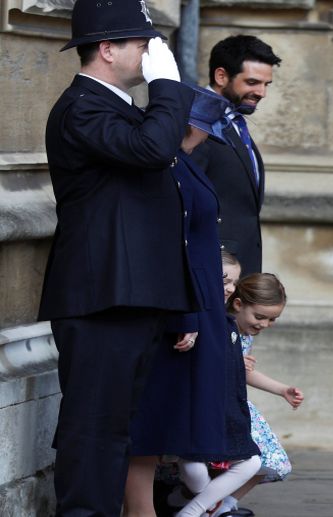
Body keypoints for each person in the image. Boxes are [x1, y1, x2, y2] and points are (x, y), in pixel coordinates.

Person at [39, 1, 196, 514]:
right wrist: (167, 88)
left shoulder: (117, 107)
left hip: (129, 295)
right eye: (142, 44)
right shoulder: (83, 106)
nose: (152, 54)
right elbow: (152, 149)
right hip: (101, 296)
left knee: (114, 429)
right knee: (93, 428)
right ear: (107, 49)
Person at [121, 85, 240, 517]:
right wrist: (184, 315)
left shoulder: (180, 165)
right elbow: (175, 246)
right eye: (204, 130)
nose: (206, 138)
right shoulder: (167, 168)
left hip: (195, 308)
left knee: (162, 427)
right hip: (180, 313)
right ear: (192, 126)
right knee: (151, 427)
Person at [192, 35, 282, 276]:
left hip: (240, 271)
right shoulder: (196, 122)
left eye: (266, 84)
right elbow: (185, 202)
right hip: (213, 270)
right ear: (221, 76)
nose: (261, 92)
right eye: (252, 82)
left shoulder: (236, 122)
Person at [223, 272, 304, 513]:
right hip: (218, 406)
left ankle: (225, 503)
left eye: (272, 320)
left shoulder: (246, 334)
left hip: (237, 405)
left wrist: (282, 390)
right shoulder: (222, 328)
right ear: (238, 304)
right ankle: (203, 503)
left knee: (271, 461)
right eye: (260, 317)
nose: (264, 325)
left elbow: (245, 373)